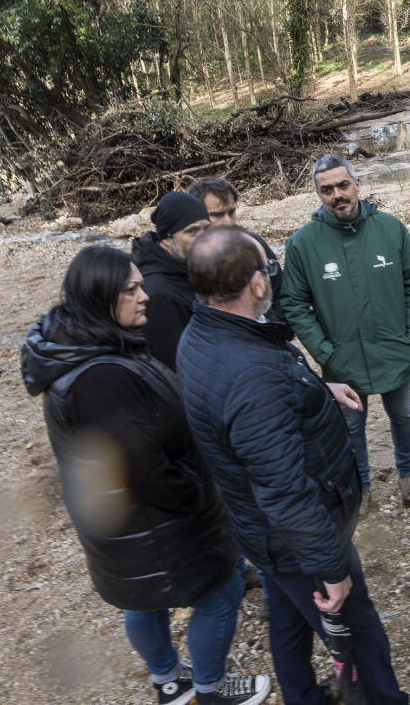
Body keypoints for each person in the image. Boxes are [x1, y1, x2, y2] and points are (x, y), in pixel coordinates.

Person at [20, 246, 270, 705]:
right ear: (101, 298)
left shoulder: (82, 347)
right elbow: (145, 467)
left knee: (143, 598)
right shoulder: (100, 378)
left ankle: (169, 682)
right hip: (153, 525)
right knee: (222, 592)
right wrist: (201, 497)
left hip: (119, 526)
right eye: (131, 289)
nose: (145, 297)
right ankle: (211, 690)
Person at [178, 226, 410, 705]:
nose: (273, 275)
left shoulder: (204, 332)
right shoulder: (251, 375)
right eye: (269, 267)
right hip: (298, 540)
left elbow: (249, 408)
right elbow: (284, 490)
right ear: (256, 283)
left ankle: (304, 697)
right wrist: (330, 568)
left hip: (261, 533)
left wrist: (315, 389)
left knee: (287, 624)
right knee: (361, 636)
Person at [279, 154, 410, 507]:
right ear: (318, 194)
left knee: (403, 414)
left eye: (343, 185)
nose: (337, 195)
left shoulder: (391, 229)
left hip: (396, 350)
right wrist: (325, 352)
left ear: (357, 184)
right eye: (327, 189)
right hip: (342, 358)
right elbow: (295, 304)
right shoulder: (302, 244)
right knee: (350, 427)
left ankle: (407, 473)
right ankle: (361, 486)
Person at [131, 191, 214, 370]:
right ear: (167, 239)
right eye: (191, 231)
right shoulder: (159, 295)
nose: (203, 239)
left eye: (206, 229)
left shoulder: (189, 268)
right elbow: (172, 365)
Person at [185, 177, 285, 325]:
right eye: (218, 215)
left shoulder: (254, 245)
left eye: (231, 212)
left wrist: (280, 327)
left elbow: (279, 291)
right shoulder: (189, 262)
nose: (228, 222)